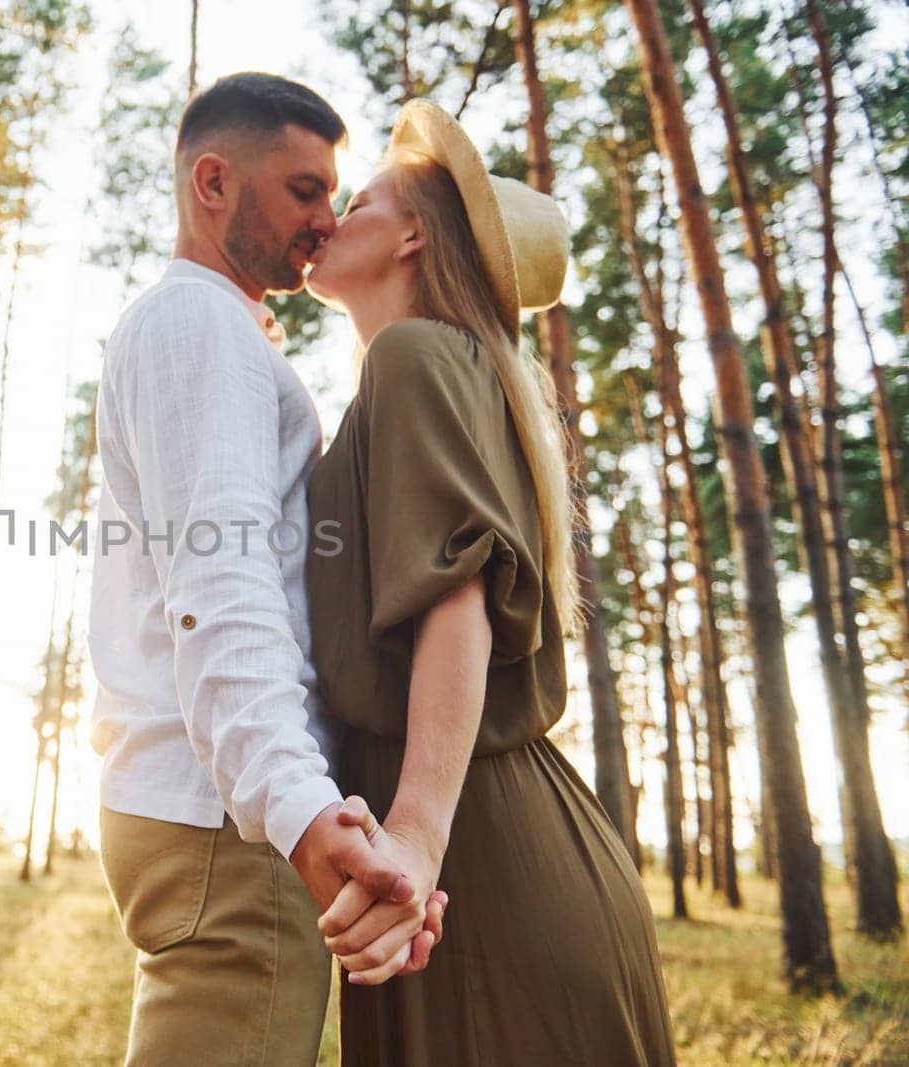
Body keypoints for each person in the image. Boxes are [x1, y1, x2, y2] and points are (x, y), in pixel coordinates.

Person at [302, 98, 676, 1064]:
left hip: (471, 853)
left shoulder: (417, 356)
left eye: (363, 201)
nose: (331, 213)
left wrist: (419, 834)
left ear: (414, 233)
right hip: (505, 833)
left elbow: (455, 600)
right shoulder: (448, 372)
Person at [87, 74, 444, 1065]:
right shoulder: (199, 326)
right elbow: (221, 585)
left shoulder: (212, 327)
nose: (325, 219)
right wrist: (295, 807)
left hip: (210, 803)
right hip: (229, 819)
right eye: (301, 189)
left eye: (332, 193)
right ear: (212, 182)